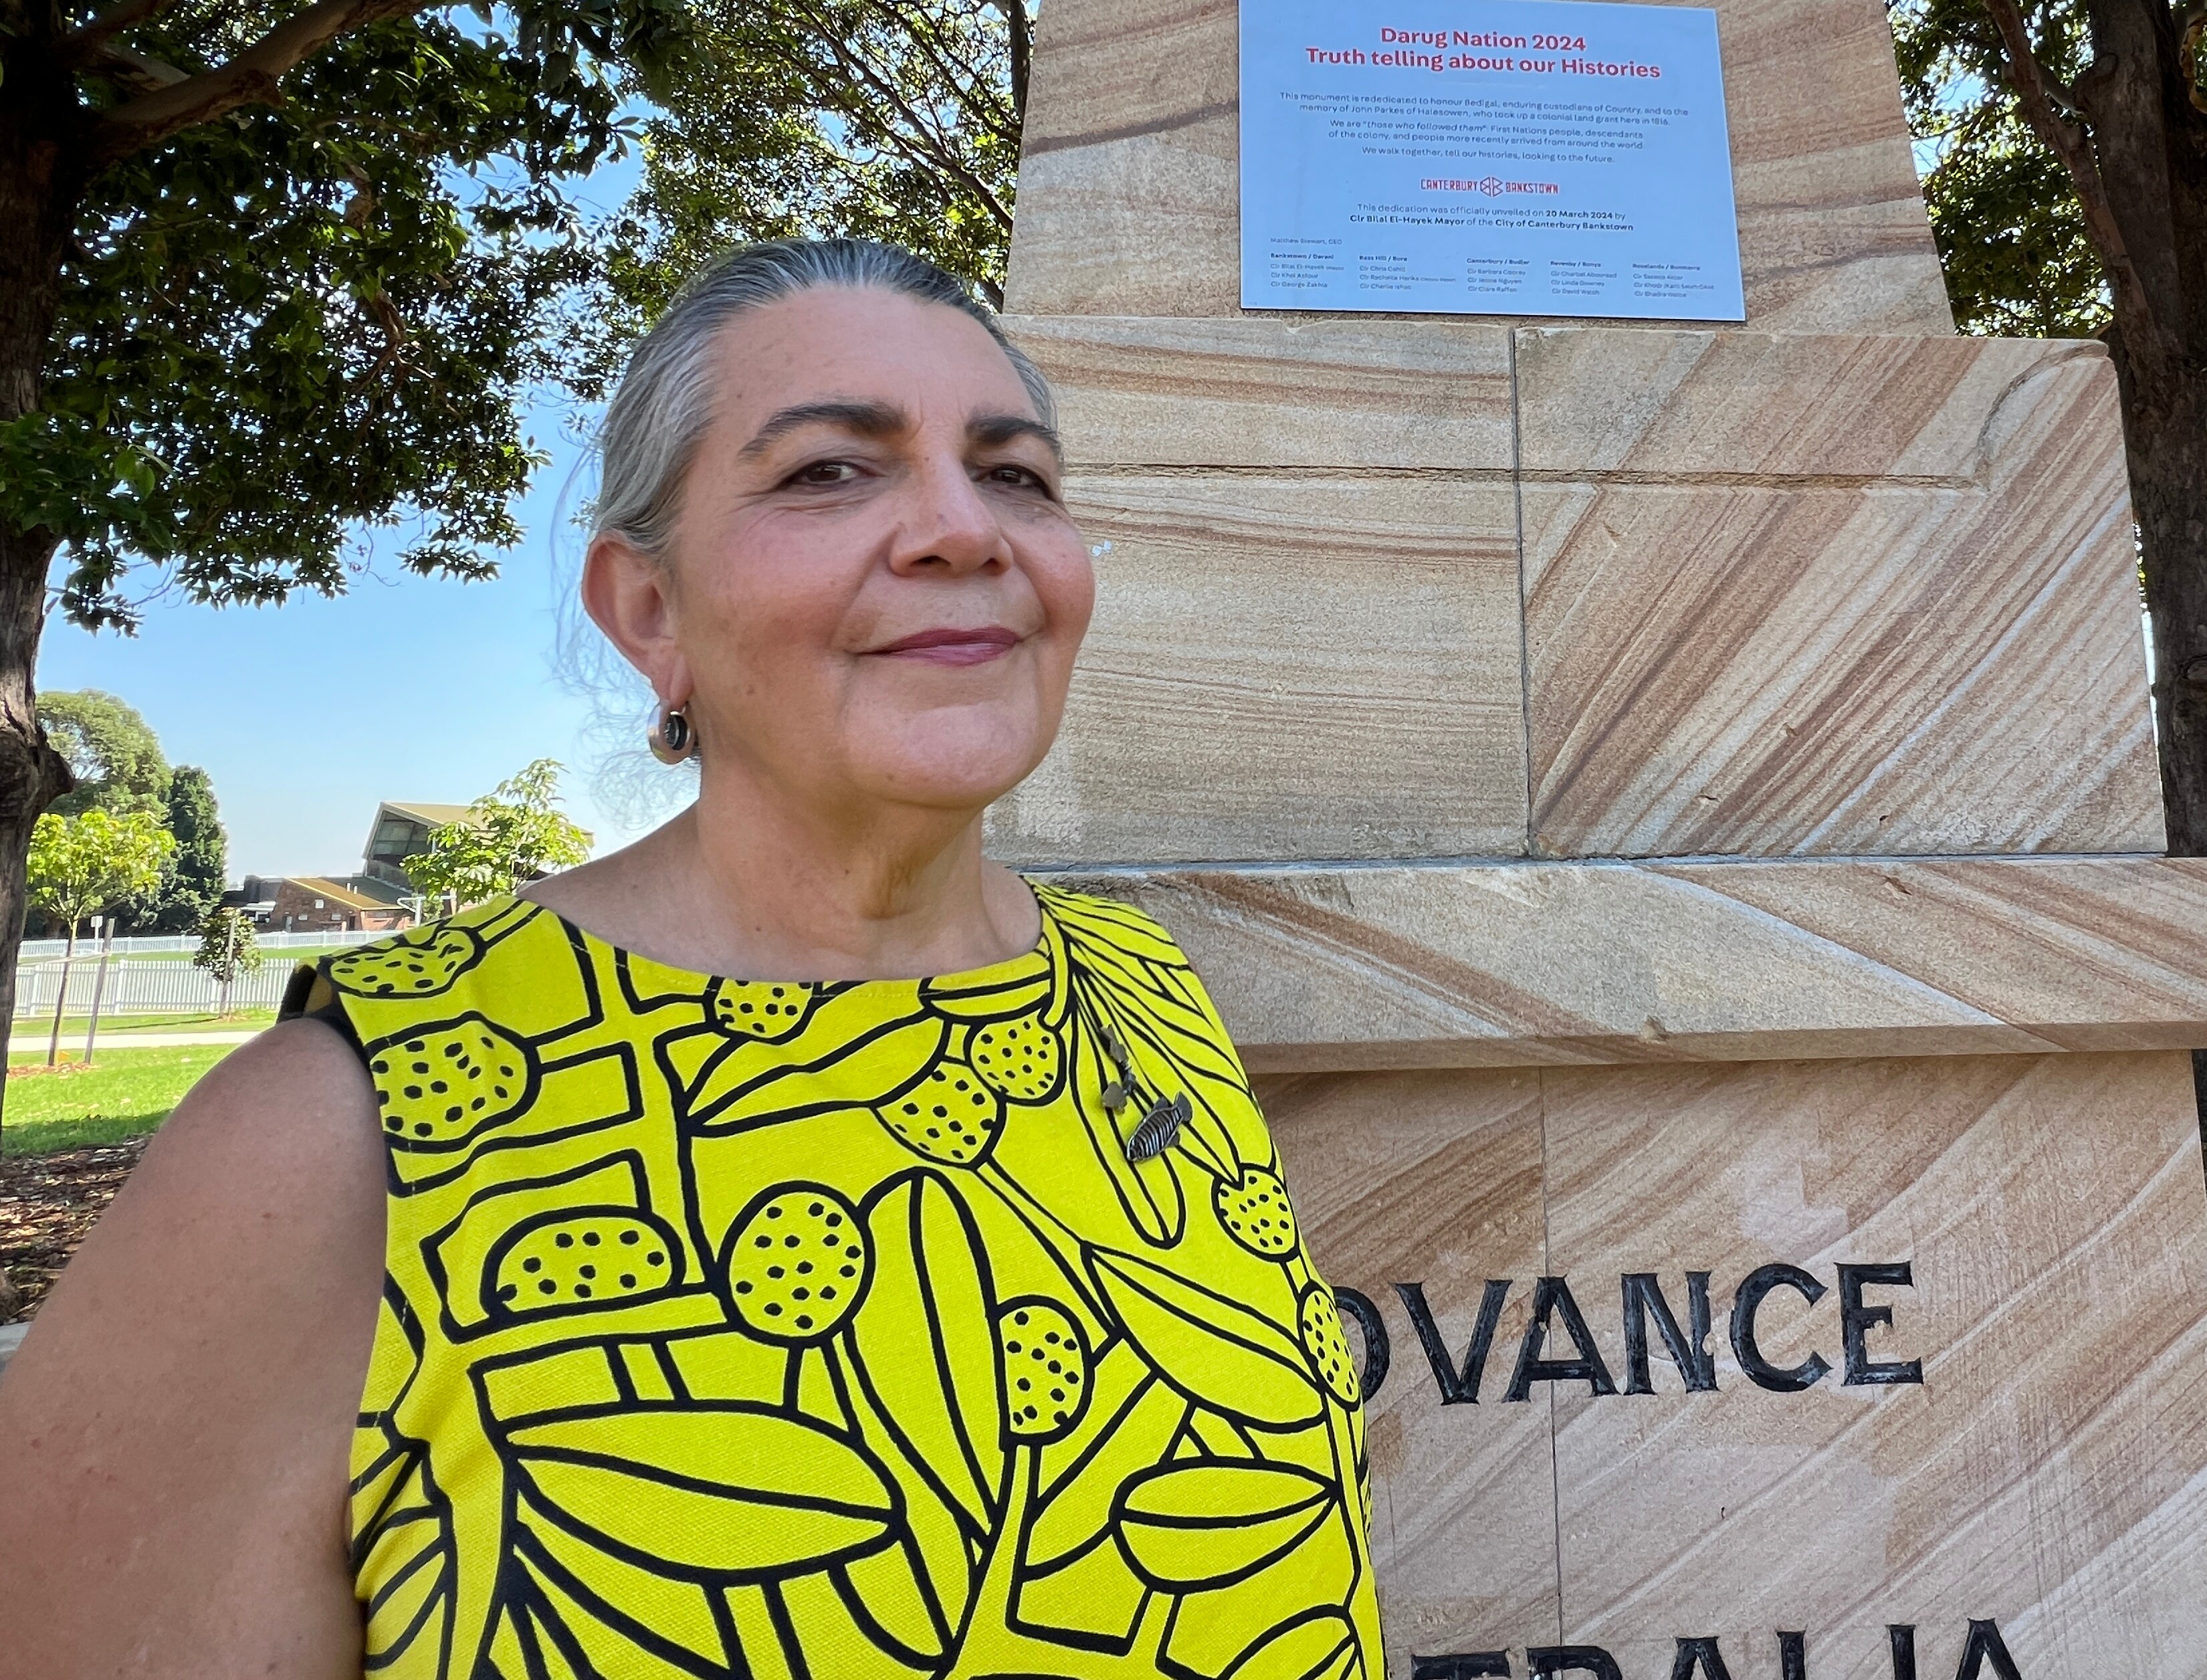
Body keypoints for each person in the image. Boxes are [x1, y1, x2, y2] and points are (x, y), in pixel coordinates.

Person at [0, 241, 1384, 1680]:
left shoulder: (1148, 998)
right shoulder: (335, 1136)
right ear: (649, 613)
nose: (964, 529)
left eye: (1016, 474)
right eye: (829, 473)